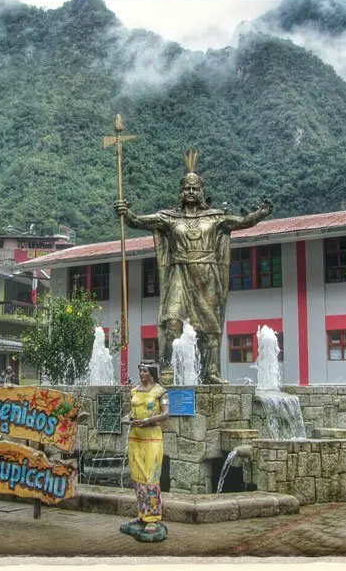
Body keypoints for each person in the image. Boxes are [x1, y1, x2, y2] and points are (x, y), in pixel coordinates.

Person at [114, 149, 273, 384]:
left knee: (210, 326)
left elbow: (241, 222)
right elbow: (139, 221)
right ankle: (167, 371)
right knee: (172, 320)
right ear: (181, 192)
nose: (190, 192)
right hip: (179, 272)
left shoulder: (216, 217)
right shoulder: (169, 218)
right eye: (186, 188)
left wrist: (261, 213)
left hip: (206, 275)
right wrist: (125, 213)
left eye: (194, 188)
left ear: (201, 192)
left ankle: (210, 371)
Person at [121, 363, 169, 536]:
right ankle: (142, 514)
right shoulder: (135, 391)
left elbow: (165, 414)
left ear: (152, 373)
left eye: (145, 371)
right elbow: (132, 413)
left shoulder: (160, 392)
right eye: (140, 370)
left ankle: (154, 518)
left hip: (152, 438)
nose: (142, 373)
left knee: (151, 477)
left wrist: (148, 421)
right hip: (135, 438)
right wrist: (127, 418)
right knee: (137, 477)